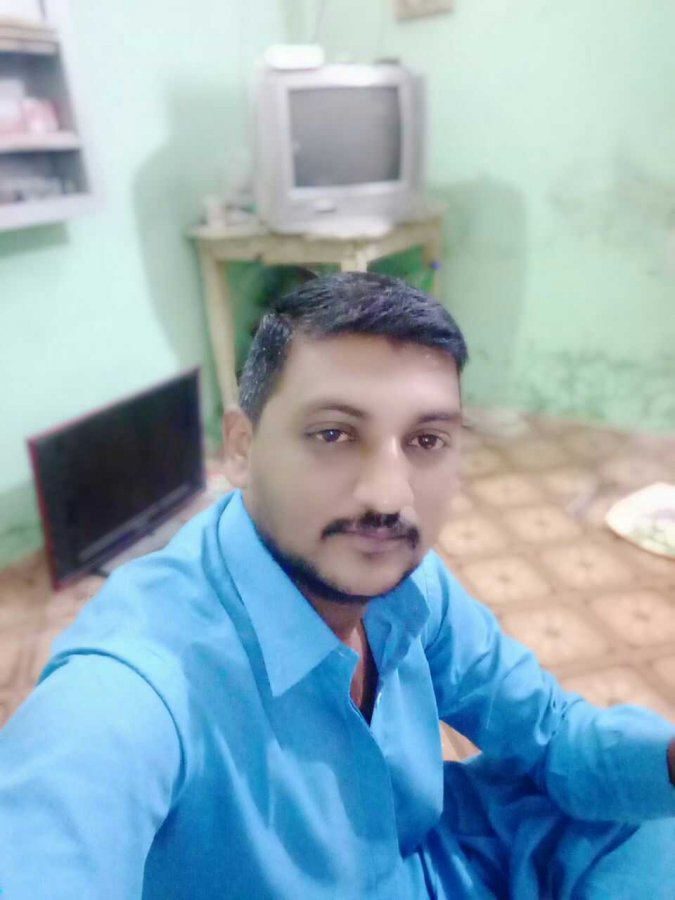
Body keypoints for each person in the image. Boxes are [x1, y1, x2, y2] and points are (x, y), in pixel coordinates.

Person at [0, 272, 673, 899]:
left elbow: (551, 735)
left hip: (427, 865)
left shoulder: (414, 586)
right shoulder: (131, 691)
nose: (388, 497)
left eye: (426, 440)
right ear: (241, 447)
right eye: (333, 434)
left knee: (644, 808)